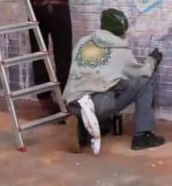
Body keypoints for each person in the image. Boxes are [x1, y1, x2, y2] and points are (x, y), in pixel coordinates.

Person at [62, 9, 165, 156]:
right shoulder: (121, 51)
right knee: (144, 83)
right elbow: (142, 72)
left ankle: (83, 127)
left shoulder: (83, 42)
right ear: (122, 30)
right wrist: (152, 60)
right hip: (98, 105)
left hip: (72, 100)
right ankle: (142, 136)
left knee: (103, 84)